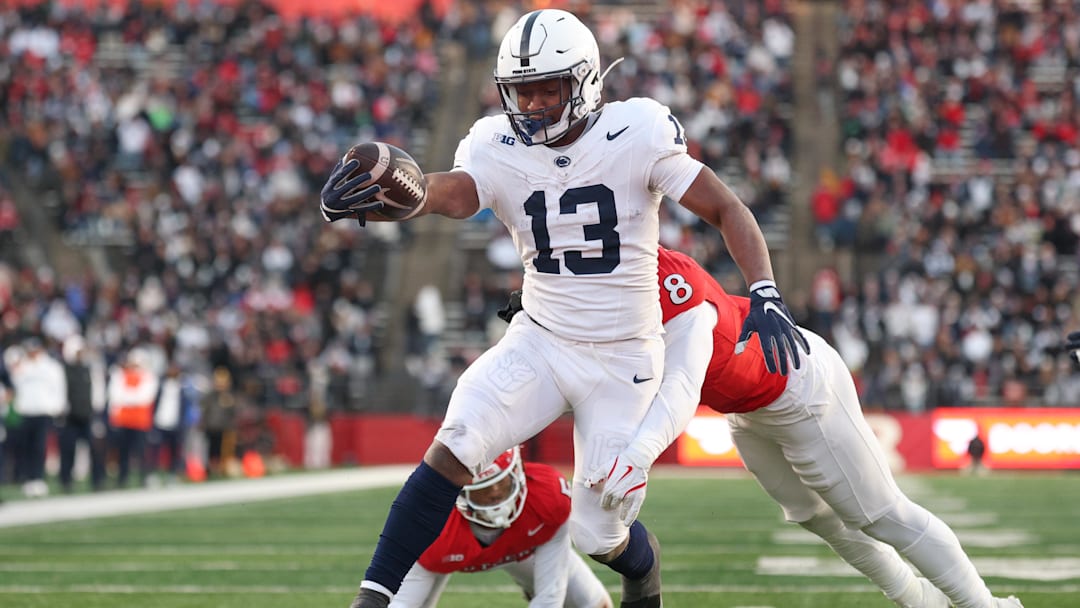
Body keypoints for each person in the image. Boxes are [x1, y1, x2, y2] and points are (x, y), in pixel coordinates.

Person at [318, 9, 808, 608]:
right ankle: (371, 600)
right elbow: (456, 191)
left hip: (625, 355)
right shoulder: (496, 143)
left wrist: (763, 289)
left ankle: (643, 574)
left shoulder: (638, 132)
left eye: (547, 88)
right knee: (457, 441)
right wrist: (412, 192)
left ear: (586, 82)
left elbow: (726, 207)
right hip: (543, 338)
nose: (532, 105)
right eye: (520, 92)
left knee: (598, 532)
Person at [577, 247, 1023, 608]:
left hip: (797, 385)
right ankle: (921, 602)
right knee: (822, 521)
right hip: (744, 410)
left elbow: (681, 385)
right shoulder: (602, 289)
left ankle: (985, 605)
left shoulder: (671, 283)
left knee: (882, 514)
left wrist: (638, 455)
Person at [392, 446, 612, 608]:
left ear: (518, 472)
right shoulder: (435, 525)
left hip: (526, 545)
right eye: (484, 488)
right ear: (460, 491)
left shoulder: (546, 498)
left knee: (596, 604)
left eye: (502, 481)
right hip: (450, 549)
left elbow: (549, 598)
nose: (496, 492)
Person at [8, 337, 66, 498]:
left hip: (43, 411)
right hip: (26, 411)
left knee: (40, 447)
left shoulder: (51, 367)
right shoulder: (23, 366)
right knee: (26, 447)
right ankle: (28, 478)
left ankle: (39, 478)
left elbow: (59, 387)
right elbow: (14, 383)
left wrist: (57, 407)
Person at [59, 335, 106, 492]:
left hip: (88, 415)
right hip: (70, 416)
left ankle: (98, 480)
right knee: (68, 450)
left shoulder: (90, 369)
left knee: (94, 448)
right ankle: (66, 480)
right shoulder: (64, 370)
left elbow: (98, 391)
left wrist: (97, 409)